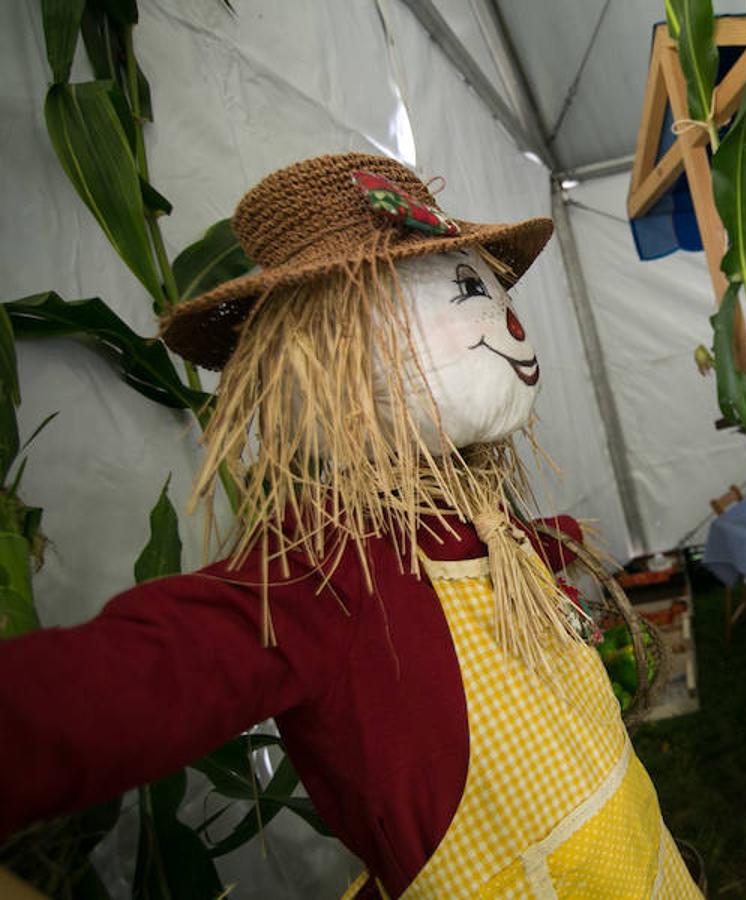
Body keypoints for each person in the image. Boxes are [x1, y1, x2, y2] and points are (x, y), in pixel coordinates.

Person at [0, 154, 700, 898]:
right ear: (327, 352)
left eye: (491, 292)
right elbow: (144, 672)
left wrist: (548, 541)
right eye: (466, 293)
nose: (506, 322)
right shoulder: (322, 572)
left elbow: (487, 554)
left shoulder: (471, 503)